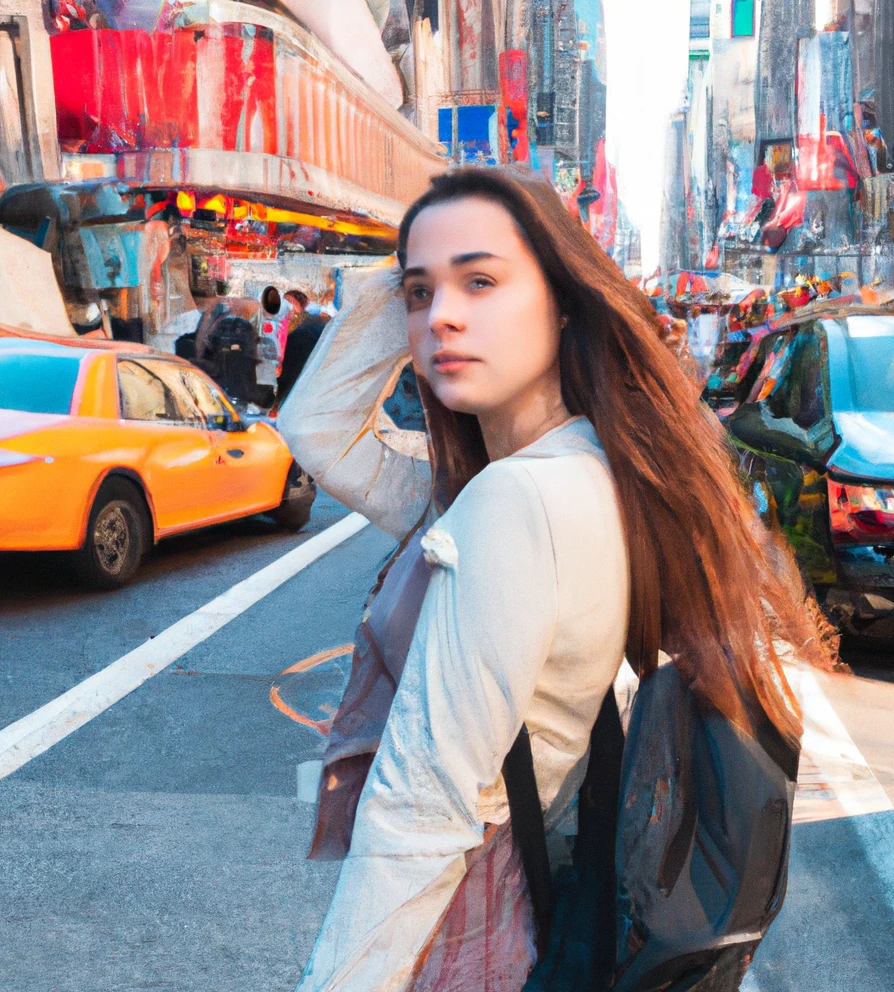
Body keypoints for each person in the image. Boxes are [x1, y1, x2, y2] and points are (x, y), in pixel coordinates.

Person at [291, 165, 817, 991]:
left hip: (465, 925)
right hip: (525, 901)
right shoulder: (572, 471)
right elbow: (318, 431)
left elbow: (422, 806)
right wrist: (397, 280)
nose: (443, 317)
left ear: (563, 301)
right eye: (422, 294)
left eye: (483, 280)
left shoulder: (515, 500)